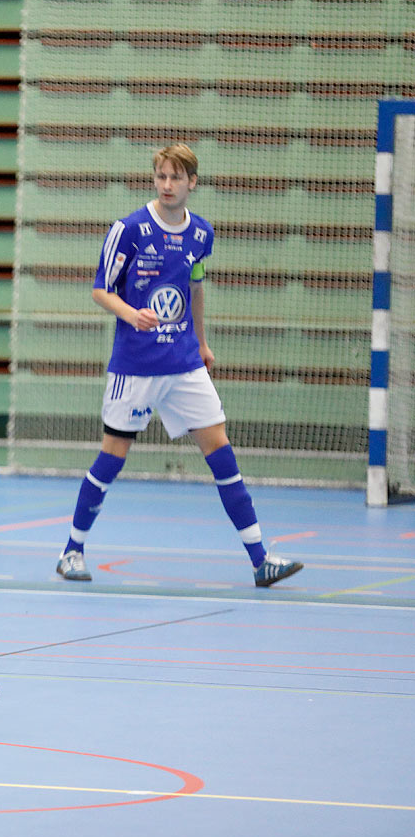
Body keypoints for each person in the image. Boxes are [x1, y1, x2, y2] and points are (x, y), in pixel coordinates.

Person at [55, 143, 303, 588]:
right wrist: (131, 314)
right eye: (161, 176)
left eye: (175, 177)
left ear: (192, 182)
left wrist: (202, 343)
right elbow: (100, 289)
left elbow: (195, 287)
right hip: (136, 366)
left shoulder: (202, 234)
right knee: (113, 457)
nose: (166, 185)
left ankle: (261, 559)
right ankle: (72, 550)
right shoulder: (129, 229)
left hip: (184, 361)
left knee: (221, 451)